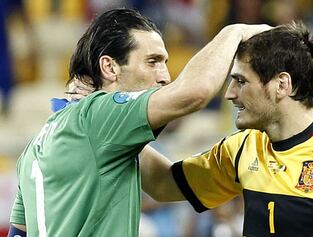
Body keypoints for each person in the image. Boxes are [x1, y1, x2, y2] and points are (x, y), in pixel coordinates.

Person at [7, 8, 271, 237]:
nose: (165, 77)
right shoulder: (98, 116)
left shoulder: (41, 144)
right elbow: (195, 93)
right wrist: (234, 32)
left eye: (165, 63)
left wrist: (243, 162)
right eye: (153, 62)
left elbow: (165, 184)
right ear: (110, 68)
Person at [139, 21, 313, 236]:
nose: (230, 94)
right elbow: (164, 185)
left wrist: (233, 31)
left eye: (241, 81)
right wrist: (118, 130)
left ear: (282, 84)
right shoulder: (243, 147)